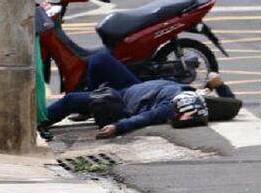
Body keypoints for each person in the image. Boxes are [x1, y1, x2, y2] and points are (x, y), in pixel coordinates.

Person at [42, 51, 231, 138]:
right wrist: (220, 85)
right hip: (135, 86)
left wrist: (116, 128)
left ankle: (38, 122)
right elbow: (231, 104)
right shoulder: (199, 102)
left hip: (122, 100)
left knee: (71, 100)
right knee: (99, 59)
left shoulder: (167, 109)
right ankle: (89, 100)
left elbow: (142, 119)